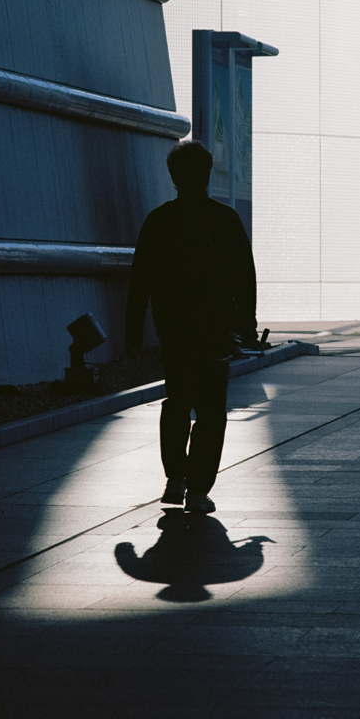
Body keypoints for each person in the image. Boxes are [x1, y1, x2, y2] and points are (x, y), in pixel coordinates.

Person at [125, 140, 258, 513]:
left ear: (173, 177)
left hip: (173, 328)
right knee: (212, 410)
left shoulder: (158, 220)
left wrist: (133, 332)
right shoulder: (224, 219)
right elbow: (243, 277)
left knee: (178, 400)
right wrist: (247, 325)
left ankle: (175, 478)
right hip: (215, 330)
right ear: (208, 173)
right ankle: (199, 488)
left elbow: (140, 281)